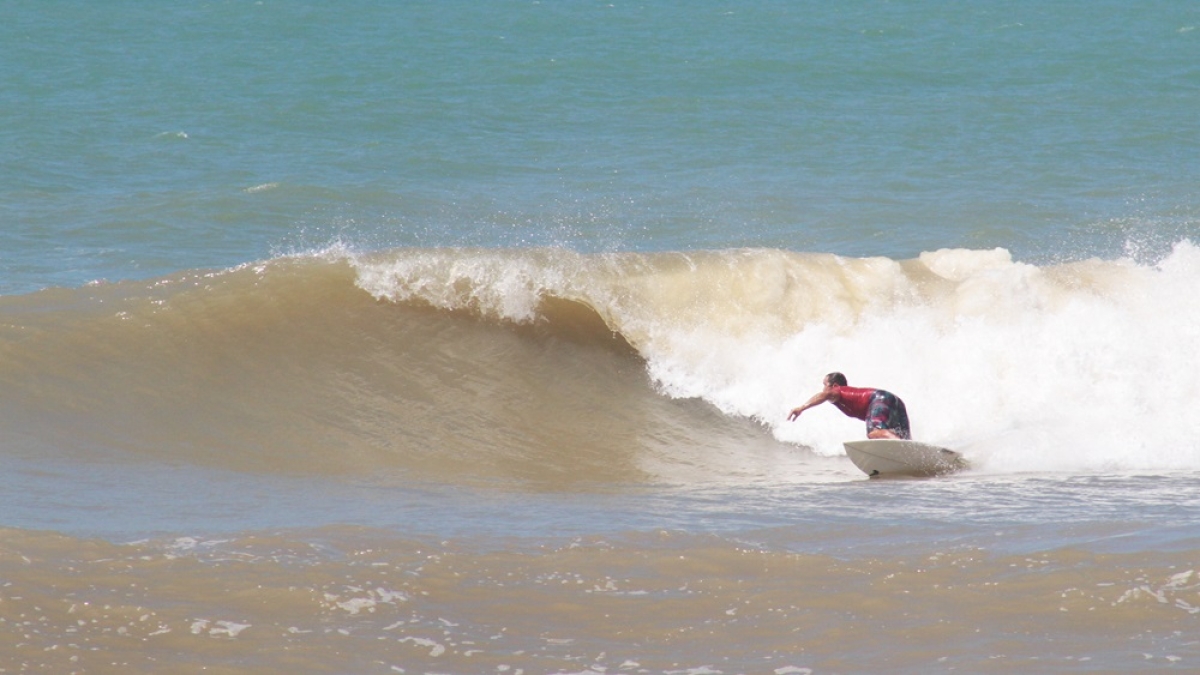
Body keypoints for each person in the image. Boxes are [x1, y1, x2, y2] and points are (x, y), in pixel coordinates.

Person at [787, 372, 911, 440]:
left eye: (825, 385)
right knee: (905, 438)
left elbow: (823, 395)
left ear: (834, 385)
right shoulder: (844, 396)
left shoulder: (837, 391)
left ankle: (896, 440)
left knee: (874, 433)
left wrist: (801, 408)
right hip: (895, 401)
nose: (824, 389)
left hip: (879, 399)